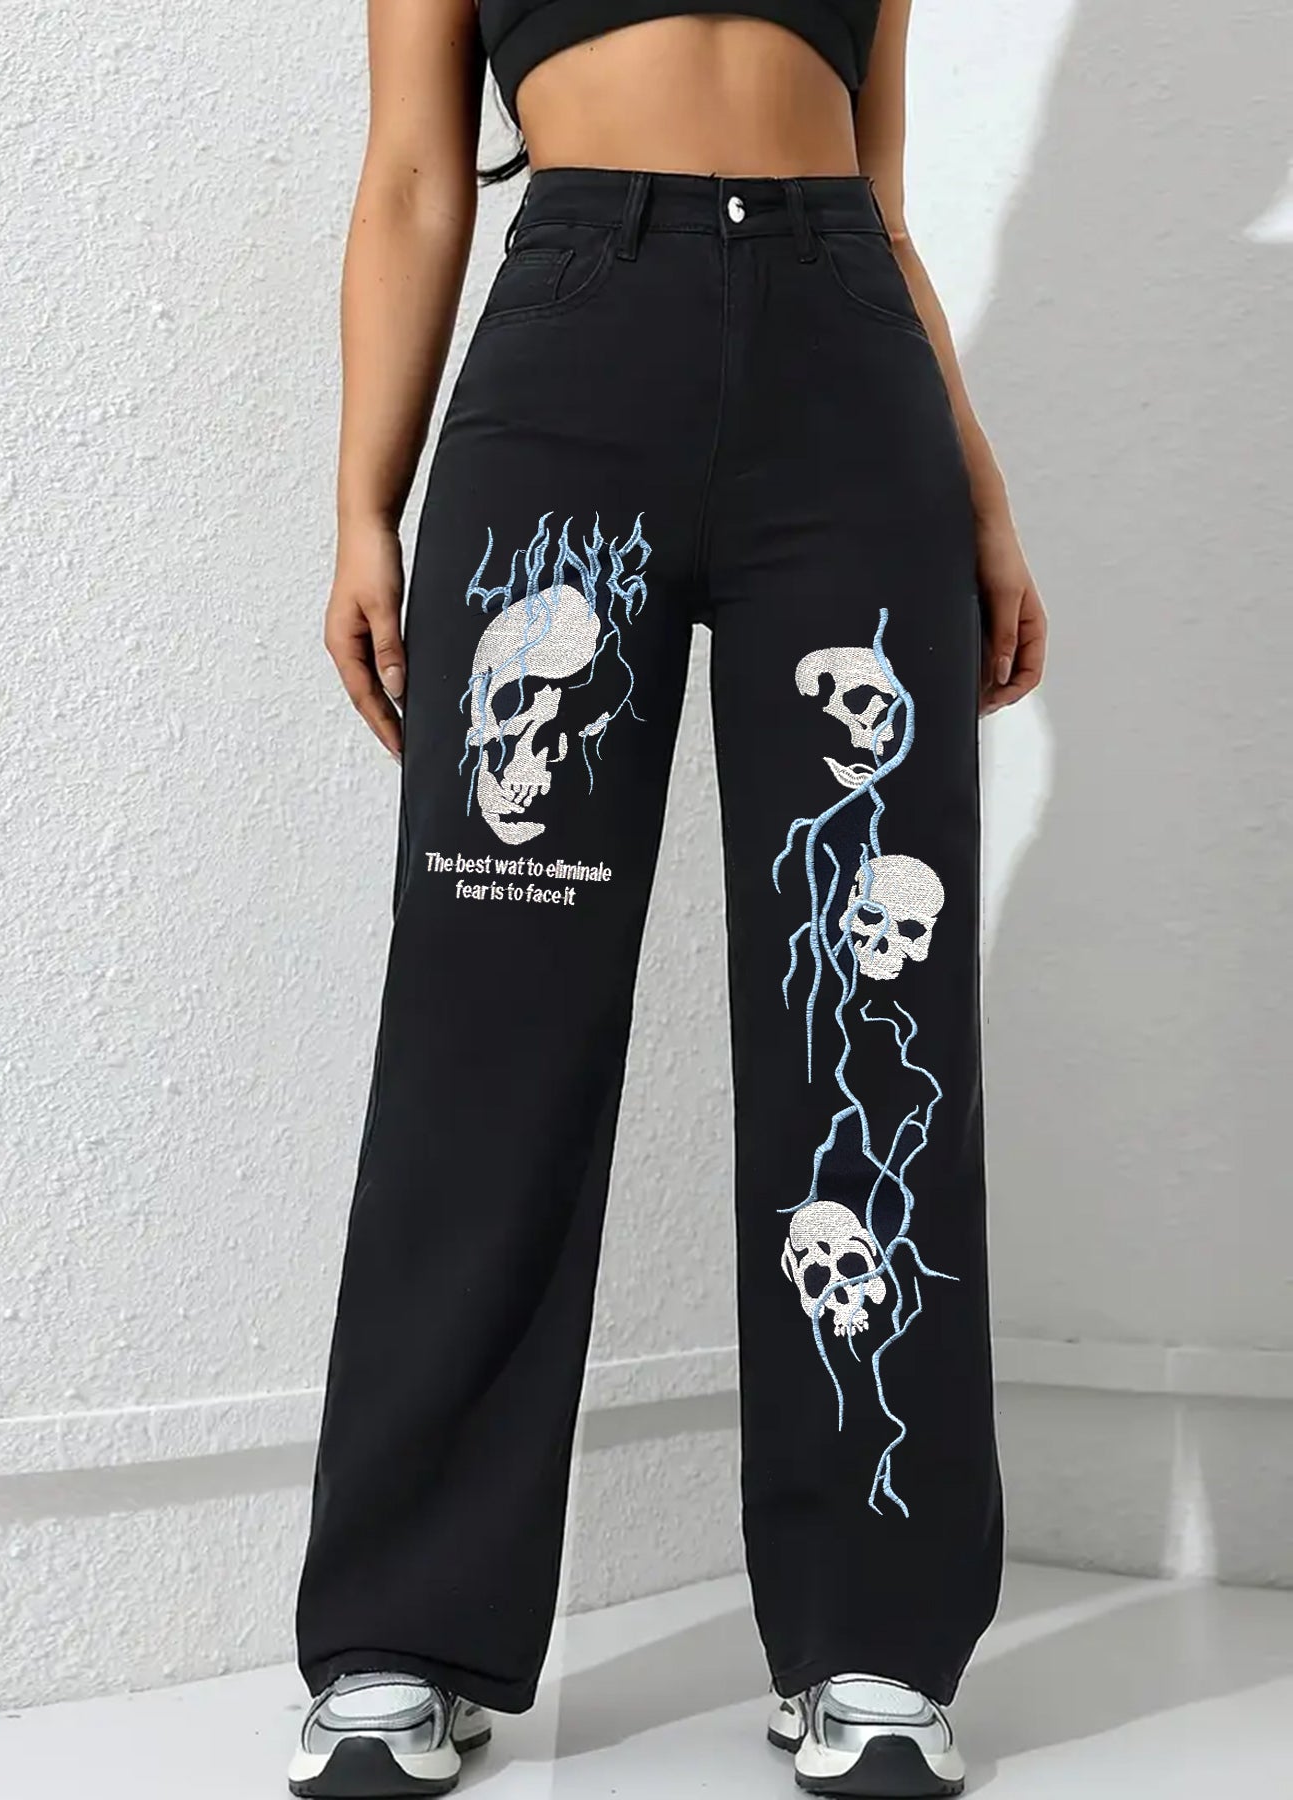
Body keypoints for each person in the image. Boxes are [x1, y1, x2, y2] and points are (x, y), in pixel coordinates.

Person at [289, 1, 1047, 1795]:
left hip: (846, 376)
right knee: (489, 1022)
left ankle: (872, 1638)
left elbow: (877, 193)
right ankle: (404, 1632)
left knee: (862, 1011)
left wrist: (982, 498)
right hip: (570, 357)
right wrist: (360, 505)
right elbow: (414, 178)